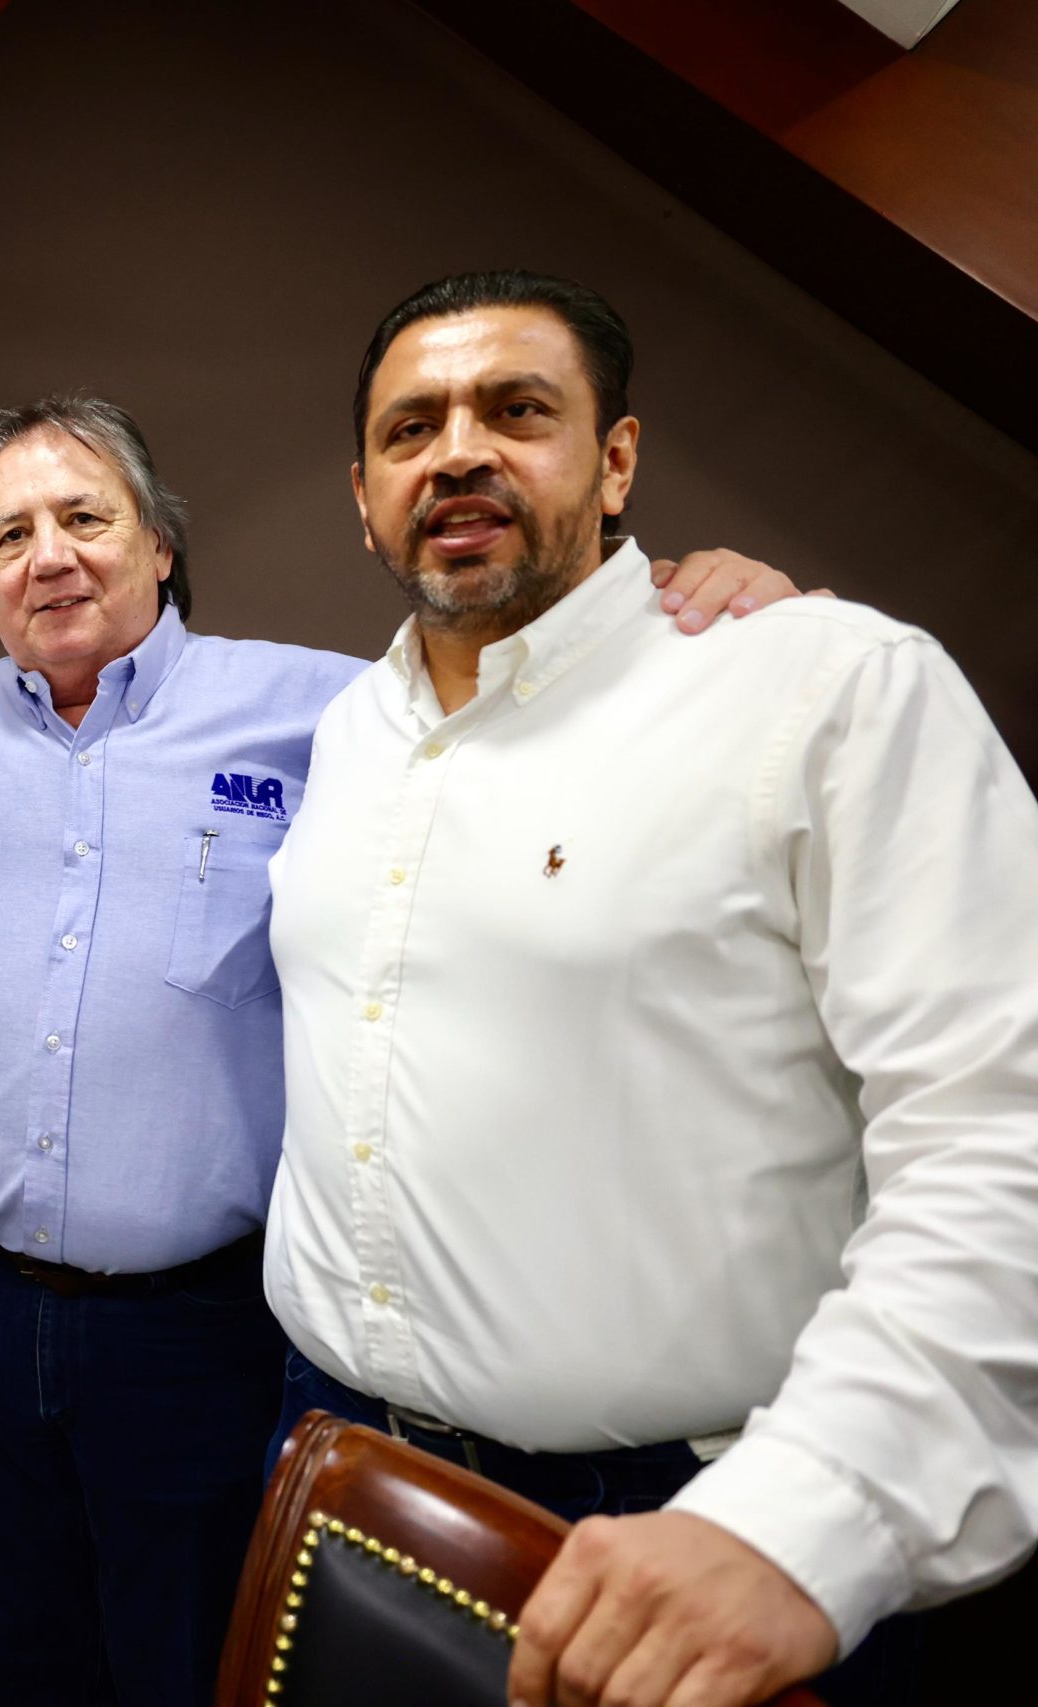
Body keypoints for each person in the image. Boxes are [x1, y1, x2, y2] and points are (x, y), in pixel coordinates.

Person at [0, 399, 791, 1705]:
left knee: (186, 1659)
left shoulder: (326, 711)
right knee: (23, 1653)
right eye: (10, 535)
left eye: (83, 517)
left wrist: (697, 621)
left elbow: (521, 722)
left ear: (159, 543)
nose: (48, 555)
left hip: (198, 1326)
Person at [267, 269, 1038, 1707]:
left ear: (616, 460)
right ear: (365, 498)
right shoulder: (349, 732)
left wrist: (810, 1517)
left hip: (687, 1523)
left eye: (517, 411)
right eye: (411, 428)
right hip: (344, 1468)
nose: (457, 452)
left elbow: (1002, 1134)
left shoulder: (822, 686)